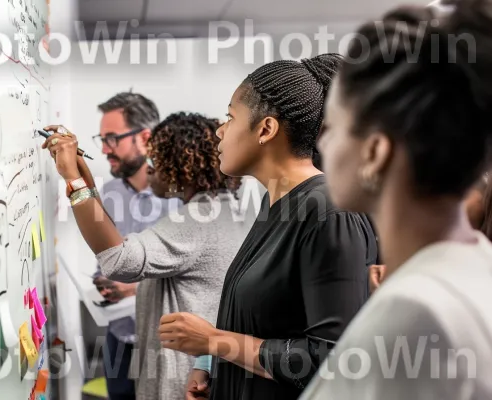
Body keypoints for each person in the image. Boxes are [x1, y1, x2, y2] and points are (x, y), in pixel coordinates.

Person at [298, 0, 492, 398]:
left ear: (375, 152)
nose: (323, 142)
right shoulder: (473, 267)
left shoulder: (417, 312)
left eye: (333, 126)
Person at [158, 55, 379, 400]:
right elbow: (267, 319)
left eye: (231, 117)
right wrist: (213, 363)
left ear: (266, 129)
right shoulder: (274, 203)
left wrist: (214, 341)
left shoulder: (329, 214)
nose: (219, 130)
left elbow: (332, 361)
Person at [42, 112, 252, 399]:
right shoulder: (222, 209)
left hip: (183, 383)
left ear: (182, 166)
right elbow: (115, 239)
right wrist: (81, 172)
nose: (149, 170)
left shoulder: (197, 220)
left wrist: (73, 181)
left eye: (155, 160)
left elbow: (118, 260)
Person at [89, 92, 178, 400]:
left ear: (144, 136)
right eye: (101, 139)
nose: (103, 149)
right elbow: (104, 259)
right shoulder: (109, 193)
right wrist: (101, 281)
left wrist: (134, 288)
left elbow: (195, 278)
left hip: (169, 345)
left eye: (112, 139)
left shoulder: (181, 196)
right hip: (119, 340)